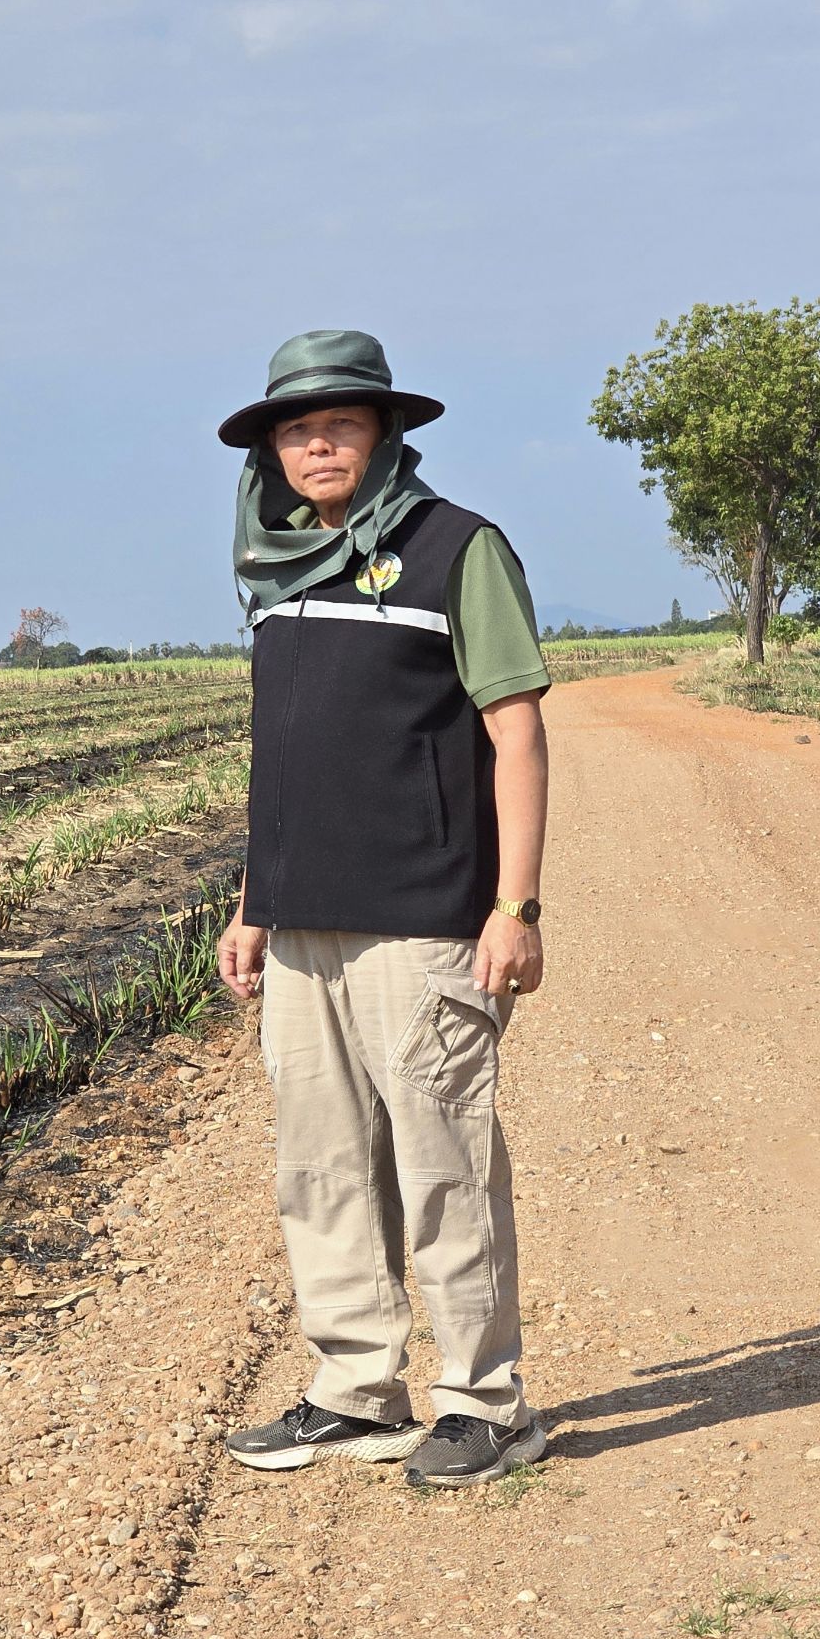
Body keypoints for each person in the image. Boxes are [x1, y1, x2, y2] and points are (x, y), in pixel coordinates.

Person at [212, 329, 553, 1489]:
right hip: (302, 923)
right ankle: (355, 1390)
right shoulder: (273, 572)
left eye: (342, 423)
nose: (318, 444)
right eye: (296, 429)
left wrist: (515, 904)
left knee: (445, 1161)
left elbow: (517, 731)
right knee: (321, 1167)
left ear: (386, 433)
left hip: (424, 917)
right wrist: (254, 904)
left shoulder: (457, 548)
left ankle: (486, 1402)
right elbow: (283, 758)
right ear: (270, 449)